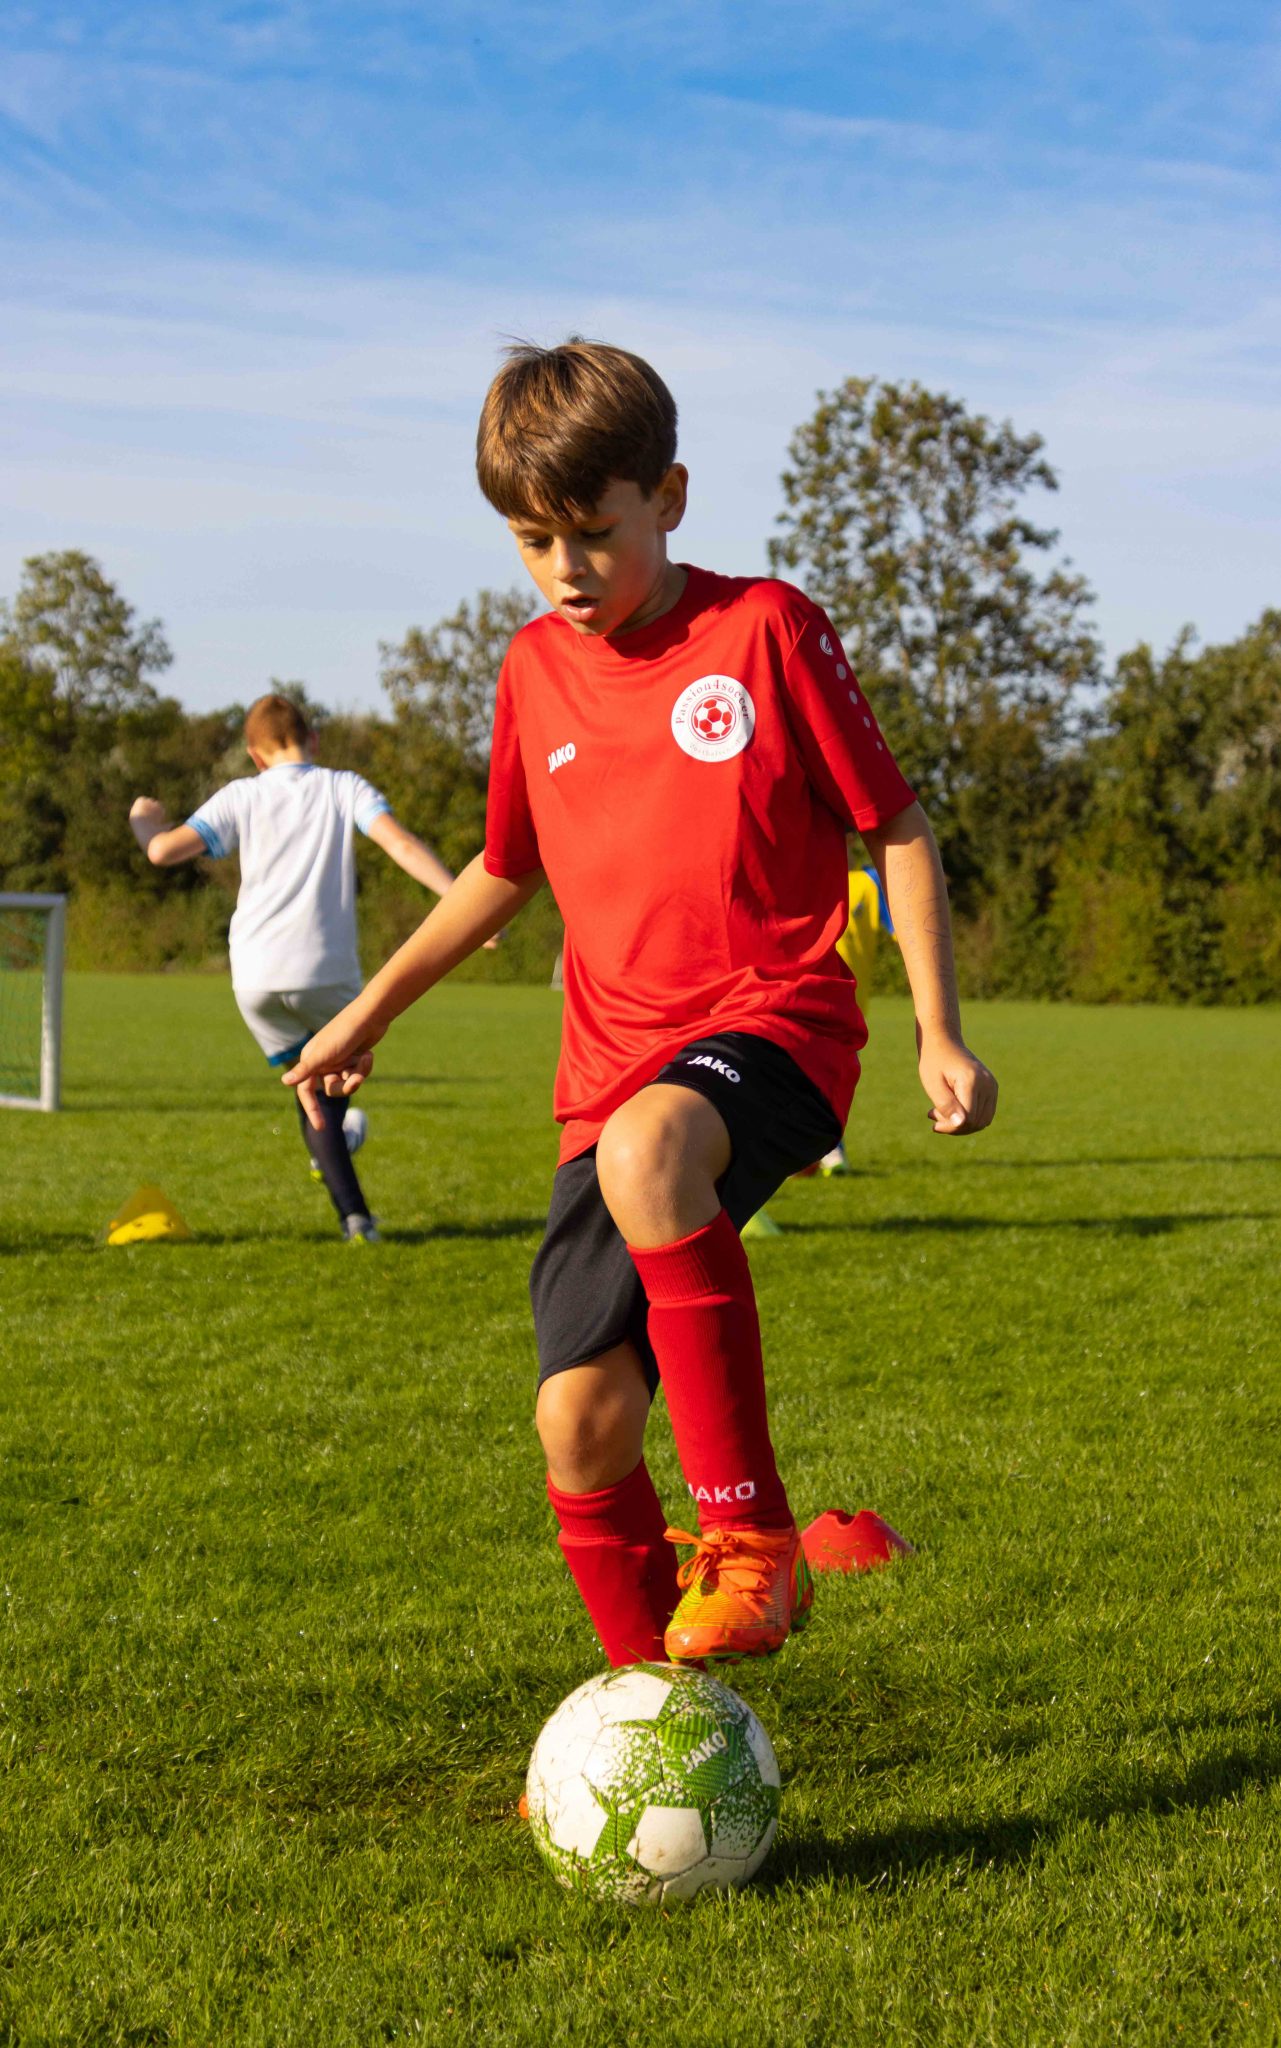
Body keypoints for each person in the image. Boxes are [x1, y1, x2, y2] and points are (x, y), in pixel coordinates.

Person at [284, 339, 998, 1664]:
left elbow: (893, 824)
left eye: (591, 534)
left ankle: (753, 1541)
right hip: (604, 1079)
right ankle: (649, 1706)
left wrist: (934, 1027)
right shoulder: (530, 673)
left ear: (667, 498)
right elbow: (504, 872)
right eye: (529, 539)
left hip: (771, 1027)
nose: (564, 569)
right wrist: (368, 1011)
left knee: (651, 1143)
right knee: (580, 1423)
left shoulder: (765, 629)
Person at [128, 692, 466, 1243]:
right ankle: (355, 1215)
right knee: (329, 1094)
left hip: (254, 976)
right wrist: (462, 902)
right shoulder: (343, 787)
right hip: (325, 971)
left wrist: (145, 820)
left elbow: (163, 852)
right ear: (313, 741)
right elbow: (399, 844)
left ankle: (342, 1176)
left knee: (309, 1088)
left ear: (255, 755)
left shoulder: (241, 794)